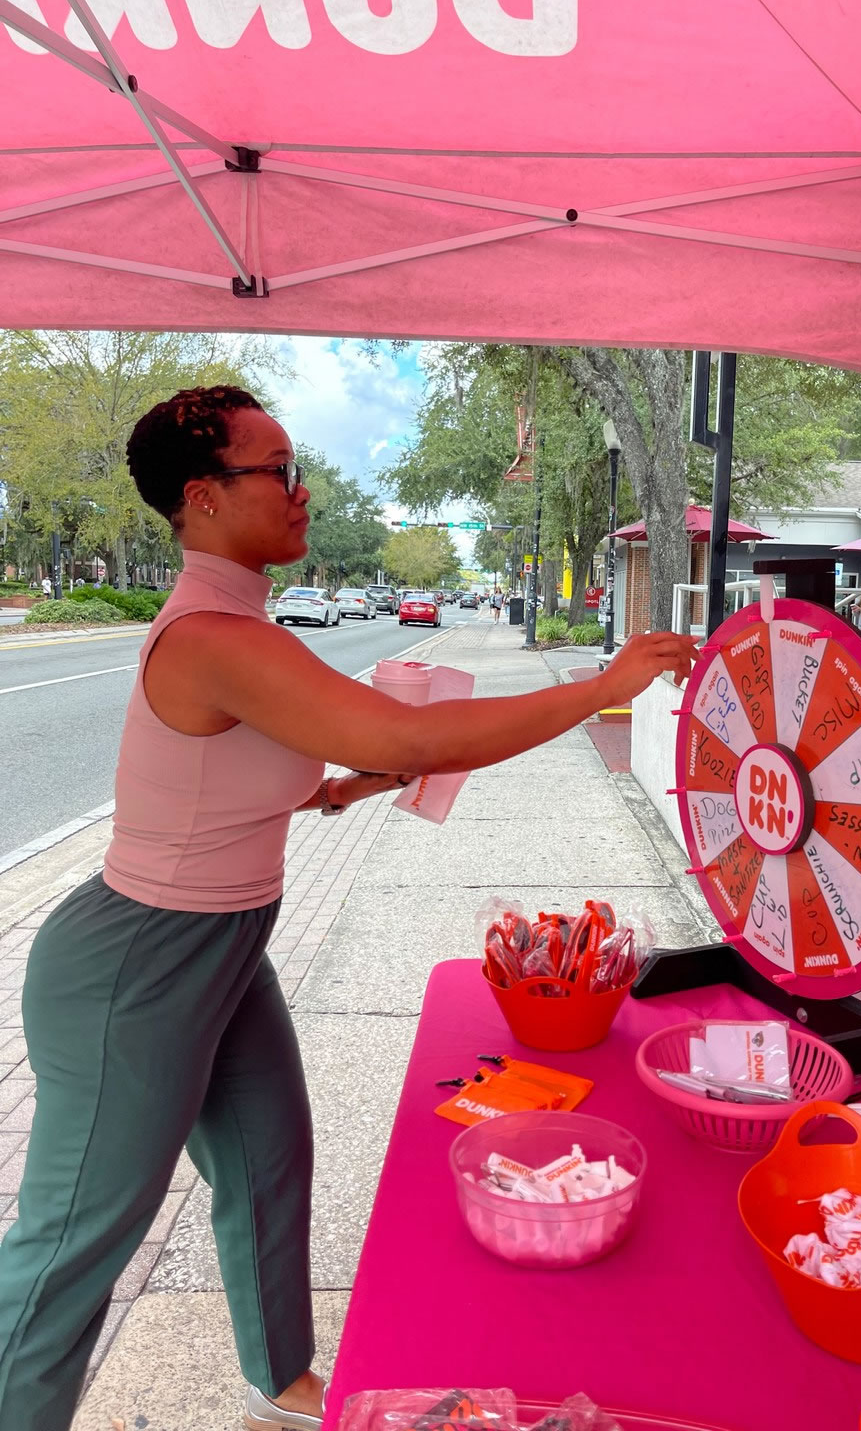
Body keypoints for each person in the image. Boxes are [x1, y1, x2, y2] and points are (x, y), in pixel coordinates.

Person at [0, 385, 696, 1431]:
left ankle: (279, 1379)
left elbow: (257, 775)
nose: (301, 491)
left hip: (226, 945)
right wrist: (602, 686)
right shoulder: (211, 636)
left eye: (299, 469)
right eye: (276, 471)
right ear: (202, 497)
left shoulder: (242, 626)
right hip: (139, 962)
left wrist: (344, 787)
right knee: (70, 1250)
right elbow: (407, 738)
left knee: (269, 1160)